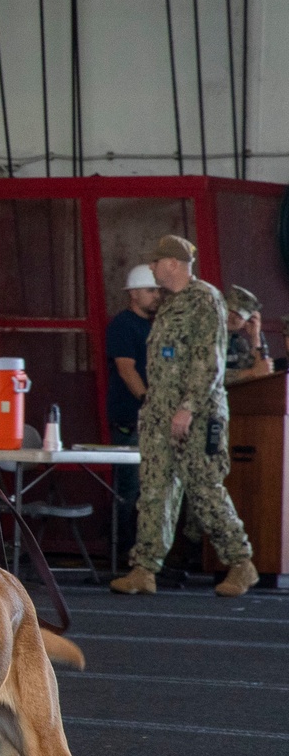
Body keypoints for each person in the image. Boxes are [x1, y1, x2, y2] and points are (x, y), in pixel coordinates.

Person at [110, 235, 257, 597]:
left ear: (173, 264)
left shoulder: (204, 299)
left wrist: (187, 408)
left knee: (205, 489)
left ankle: (241, 563)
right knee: (155, 491)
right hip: (160, 417)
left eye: (157, 263)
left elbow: (210, 362)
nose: (154, 268)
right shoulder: (169, 305)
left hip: (198, 415)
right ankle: (144, 569)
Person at [105, 264, 160, 559]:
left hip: (148, 421)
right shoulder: (123, 326)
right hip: (131, 419)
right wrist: (149, 401)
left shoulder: (152, 326)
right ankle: (125, 552)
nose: (156, 296)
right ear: (134, 294)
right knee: (129, 489)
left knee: (147, 491)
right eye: (151, 290)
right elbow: (126, 369)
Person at [224, 285, 274, 387]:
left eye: (240, 316)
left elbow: (261, 372)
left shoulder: (238, 342)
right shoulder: (207, 335)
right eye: (231, 311)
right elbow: (209, 375)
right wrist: (252, 372)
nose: (234, 318)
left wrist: (255, 337)